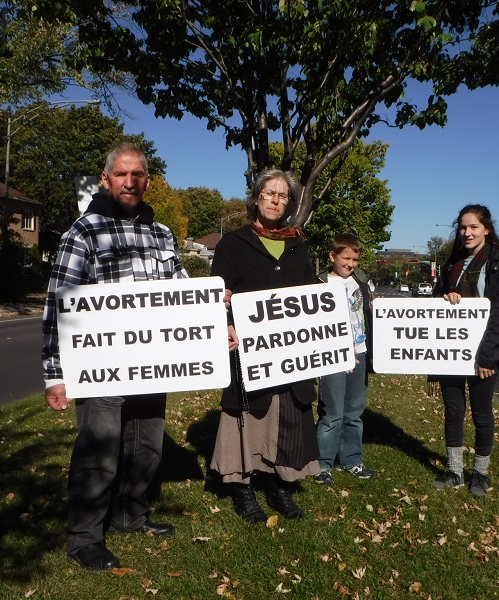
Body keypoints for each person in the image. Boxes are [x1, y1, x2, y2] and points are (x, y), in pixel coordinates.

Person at [41, 142, 186, 571]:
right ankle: (84, 536)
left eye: (137, 174)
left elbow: (181, 292)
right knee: (99, 451)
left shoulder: (162, 234)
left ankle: (130, 513)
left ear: (147, 180)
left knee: (147, 447)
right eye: (121, 175)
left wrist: (215, 320)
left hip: (152, 363)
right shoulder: (83, 232)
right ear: (106, 179)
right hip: (100, 368)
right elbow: (57, 304)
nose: (129, 182)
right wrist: (54, 373)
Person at [210, 169, 319, 523]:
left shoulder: (298, 244)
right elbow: (216, 295)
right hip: (247, 352)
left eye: (282, 196)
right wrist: (226, 322)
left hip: (290, 355)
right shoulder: (233, 243)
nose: (275, 200)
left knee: (288, 415)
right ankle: (243, 490)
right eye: (269, 193)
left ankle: (279, 486)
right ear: (256, 198)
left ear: (288, 204)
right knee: (246, 416)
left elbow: (313, 296)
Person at [431, 204, 499, 497]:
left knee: (481, 413)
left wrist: (488, 356)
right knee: (453, 411)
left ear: (486, 229)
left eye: (473, 227)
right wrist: (447, 296)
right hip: (451, 350)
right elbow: (435, 301)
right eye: (463, 228)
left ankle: (480, 473)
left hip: (483, 353)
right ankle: (455, 471)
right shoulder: (453, 261)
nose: (467, 233)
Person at [314, 233, 374, 486]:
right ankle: (323, 464)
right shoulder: (319, 283)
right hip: (333, 356)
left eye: (355, 259)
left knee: (354, 412)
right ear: (332, 256)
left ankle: (352, 459)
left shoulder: (361, 283)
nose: (350, 264)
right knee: (332, 412)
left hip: (360, 352)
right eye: (346, 258)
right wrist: (339, 350)